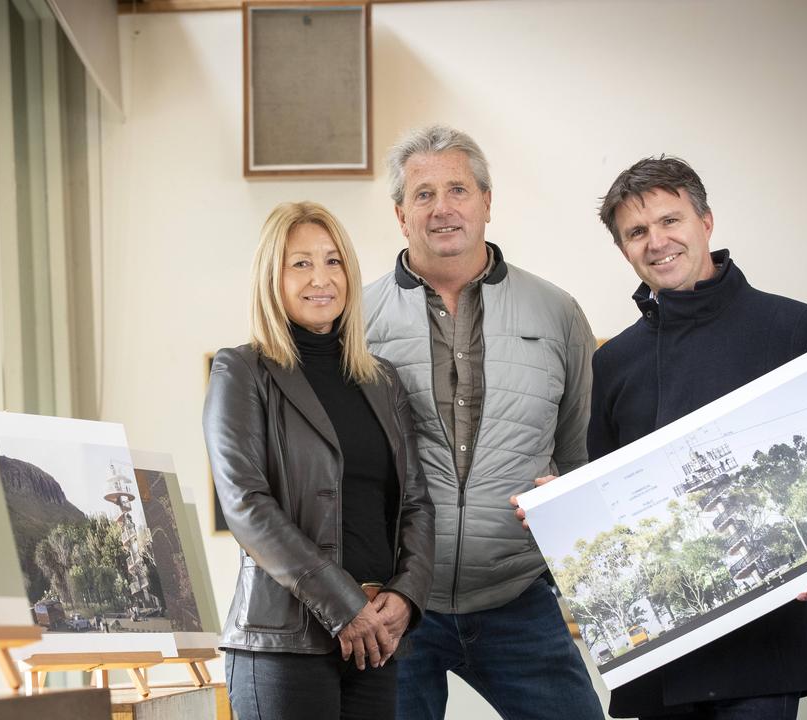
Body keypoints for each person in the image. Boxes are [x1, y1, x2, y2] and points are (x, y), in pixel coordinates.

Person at [522, 155, 807, 719]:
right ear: (623, 249)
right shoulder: (615, 362)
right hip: (662, 652)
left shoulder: (790, 327)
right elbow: (614, 502)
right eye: (637, 232)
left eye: (670, 220)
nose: (656, 241)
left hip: (763, 647)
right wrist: (562, 505)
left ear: (705, 222)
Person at [363, 125, 603, 719]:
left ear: (487, 202)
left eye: (458, 190)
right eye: (423, 195)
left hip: (518, 596)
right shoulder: (356, 321)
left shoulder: (557, 312)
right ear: (400, 214)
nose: (442, 208)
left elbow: (578, 455)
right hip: (397, 604)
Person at [204, 201, 436, 720]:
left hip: (377, 640)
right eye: (300, 263)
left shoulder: (383, 380)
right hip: (284, 643)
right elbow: (246, 505)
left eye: (333, 261)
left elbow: (417, 503)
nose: (321, 278)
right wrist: (344, 605)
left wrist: (405, 598)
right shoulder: (241, 371)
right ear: (272, 276)